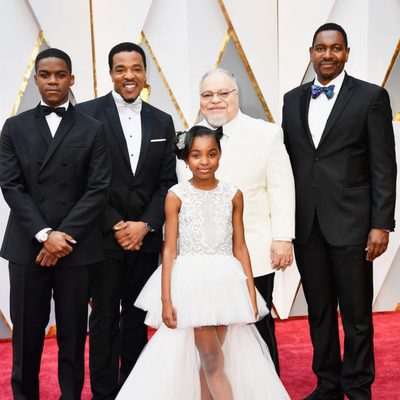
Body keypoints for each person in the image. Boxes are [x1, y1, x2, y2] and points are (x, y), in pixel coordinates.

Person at [116, 125, 290, 400]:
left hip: (225, 282)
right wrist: (166, 299)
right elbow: (170, 249)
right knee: (211, 357)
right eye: (196, 155)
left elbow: (240, 246)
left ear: (220, 155)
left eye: (211, 154)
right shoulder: (176, 195)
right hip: (190, 283)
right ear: (186, 159)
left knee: (209, 361)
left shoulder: (233, 194)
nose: (204, 162)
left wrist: (250, 294)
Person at [282, 23, 396, 400]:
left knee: (358, 316)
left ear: (346, 53)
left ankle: (358, 387)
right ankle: (327, 384)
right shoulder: (291, 100)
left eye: (335, 48)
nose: (327, 55)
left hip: (352, 225)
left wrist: (381, 223)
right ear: (311, 52)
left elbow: (384, 165)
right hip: (307, 224)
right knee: (319, 312)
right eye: (320, 48)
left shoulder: (370, 97)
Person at [0, 48, 111, 400]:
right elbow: (11, 185)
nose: (52, 81)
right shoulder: (13, 127)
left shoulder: (93, 129)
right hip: (27, 246)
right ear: (36, 80)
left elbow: (98, 188)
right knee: (26, 336)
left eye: (60, 75)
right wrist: (46, 235)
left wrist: (63, 236)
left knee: (74, 335)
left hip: (76, 249)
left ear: (71, 79)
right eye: (45, 75)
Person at [77, 42, 177, 398]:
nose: (129, 75)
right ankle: (104, 392)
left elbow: (167, 182)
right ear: (110, 74)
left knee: (136, 319)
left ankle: (133, 389)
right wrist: (117, 225)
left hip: (146, 240)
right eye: (121, 69)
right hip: (103, 238)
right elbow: (84, 179)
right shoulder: (86, 115)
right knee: (103, 318)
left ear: (146, 73)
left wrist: (145, 225)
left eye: (136, 68)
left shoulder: (162, 120)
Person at [185, 68, 295, 374]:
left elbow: (281, 187)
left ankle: (266, 388)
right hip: (204, 258)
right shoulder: (186, 137)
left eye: (223, 93)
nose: (216, 100)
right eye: (208, 95)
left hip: (255, 253)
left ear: (237, 96)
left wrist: (283, 238)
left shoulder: (267, 133)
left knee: (256, 327)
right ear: (200, 100)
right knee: (211, 331)